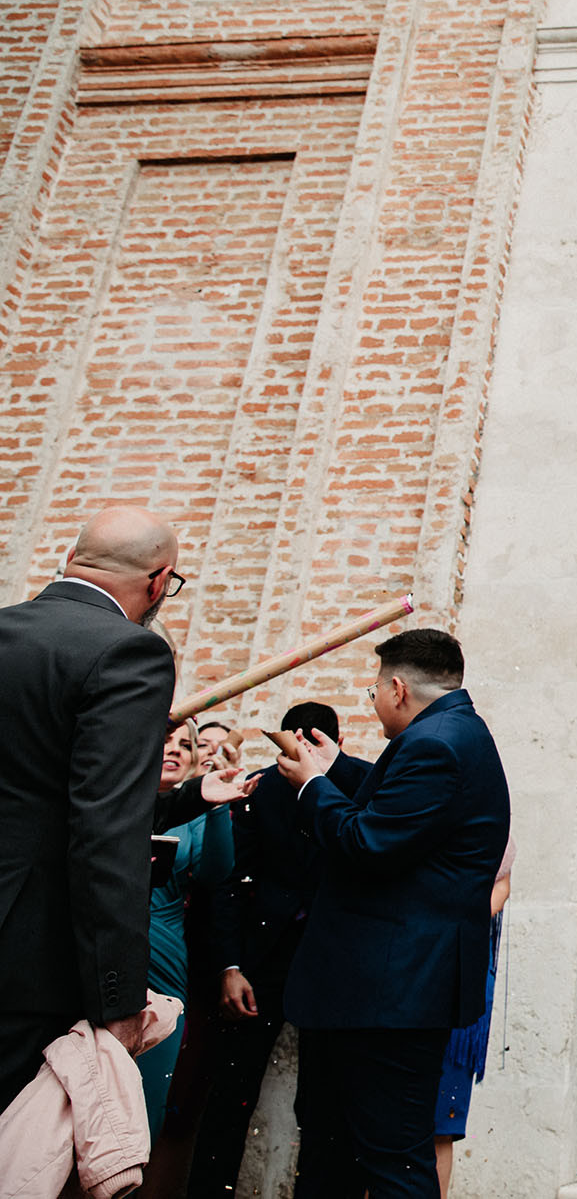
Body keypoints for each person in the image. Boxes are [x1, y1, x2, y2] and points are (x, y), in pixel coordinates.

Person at [274, 628, 510, 1199]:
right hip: (381, 993)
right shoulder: (451, 734)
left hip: (389, 995)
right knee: (336, 1152)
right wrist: (336, 767)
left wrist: (311, 787)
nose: (374, 699)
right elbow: (404, 808)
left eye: (375, 689)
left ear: (398, 688)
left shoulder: (436, 746)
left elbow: (370, 842)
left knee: (392, 1162)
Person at [0, 506, 183, 1110]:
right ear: (159, 582)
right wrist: (119, 997)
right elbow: (107, 831)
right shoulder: (129, 652)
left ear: (72, 558)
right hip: (27, 960)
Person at [184, 703, 340, 1199]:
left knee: (323, 1103)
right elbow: (227, 881)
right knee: (231, 1094)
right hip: (259, 963)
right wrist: (230, 966)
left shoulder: (356, 787)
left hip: (328, 969)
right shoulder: (258, 789)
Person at [136, 728, 235, 1135]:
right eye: (166, 742)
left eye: (185, 746)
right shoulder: (117, 798)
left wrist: (216, 807)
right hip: (105, 946)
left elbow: (215, 873)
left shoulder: (193, 815)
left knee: (146, 1097)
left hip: (164, 953)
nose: (175, 751)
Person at [433, 835, 513, 1196]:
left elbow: (502, 888)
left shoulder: (490, 822)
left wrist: (448, 927)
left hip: (458, 977)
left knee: (439, 1128)